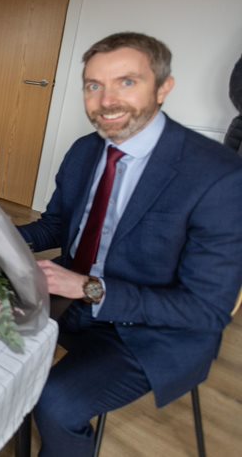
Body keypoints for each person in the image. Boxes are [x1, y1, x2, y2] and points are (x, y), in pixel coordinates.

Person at [17, 32, 242, 457]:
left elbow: (205, 311)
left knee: (56, 402)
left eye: (127, 82)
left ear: (163, 88)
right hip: (73, 301)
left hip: (152, 333)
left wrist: (87, 288)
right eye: (93, 85)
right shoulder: (85, 151)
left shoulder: (219, 175)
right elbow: (55, 226)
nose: (106, 101)